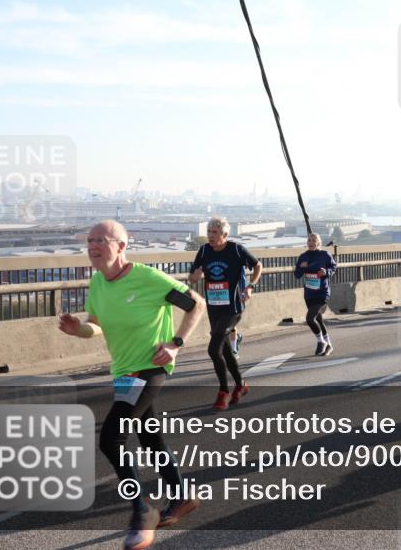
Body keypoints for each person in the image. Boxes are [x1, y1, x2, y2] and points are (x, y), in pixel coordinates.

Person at [59, 220, 205, 547]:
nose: (92, 245)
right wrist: (78, 330)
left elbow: (196, 304)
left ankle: (143, 512)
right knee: (150, 438)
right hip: (123, 372)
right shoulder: (98, 282)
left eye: (101, 240)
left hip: (149, 367)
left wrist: (175, 343)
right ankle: (182, 496)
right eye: (89, 240)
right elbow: (95, 325)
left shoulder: (148, 278)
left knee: (111, 439)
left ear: (122, 246)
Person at [188, 217, 262, 411]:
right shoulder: (204, 250)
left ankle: (223, 391)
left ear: (225, 235)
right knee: (226, 350)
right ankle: (241, 384)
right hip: (214, 307)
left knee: (214, 349)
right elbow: (193, 275)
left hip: (233, 308)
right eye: (209, 232)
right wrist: (194, 277)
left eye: (214, 233)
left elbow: (258, 265)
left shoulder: (236, 250)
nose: (210, 236)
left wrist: (251, 287)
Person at [294, 232, 337, 356]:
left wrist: (326, 271)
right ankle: (329, 344)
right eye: (309, 240)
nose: (311, 243)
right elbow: (297, 275)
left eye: (314, 240)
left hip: (322, 292)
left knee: (309, 319)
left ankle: (321, 342)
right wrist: (301, 267)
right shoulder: (303, 256)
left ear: (318, 243)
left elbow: (333, 267)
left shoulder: (324, 255)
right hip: (309, 293)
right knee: (319, 319)